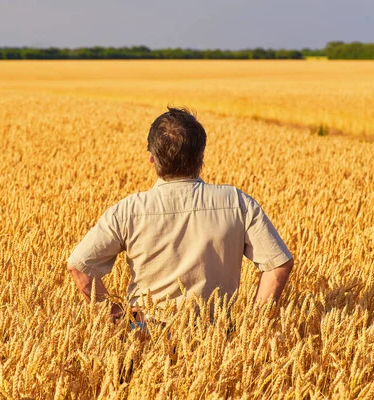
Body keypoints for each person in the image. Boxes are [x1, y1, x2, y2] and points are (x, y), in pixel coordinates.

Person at [66, 107, 293, 322]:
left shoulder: (128, 211)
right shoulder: (236, 202)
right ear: (201, 156)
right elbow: (277, 264)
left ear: (152, 158)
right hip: (216, 343)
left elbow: (79, 266)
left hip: (144, 336)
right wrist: (250, 327)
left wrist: (116, 312)